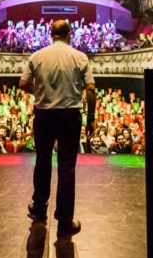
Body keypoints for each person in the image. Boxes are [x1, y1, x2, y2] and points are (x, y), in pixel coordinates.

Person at [20, 19, 96, 237]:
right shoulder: (80, 57)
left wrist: (40, 92)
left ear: (50, 34)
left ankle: (39, 209)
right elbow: (90, 90)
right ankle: (64, 220)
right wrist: (91, 118)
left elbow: (23, 84)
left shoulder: (37, 56)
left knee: (42, 161)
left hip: (44, 115)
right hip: (70, 116)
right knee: (67, 168)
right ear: (69, 34)